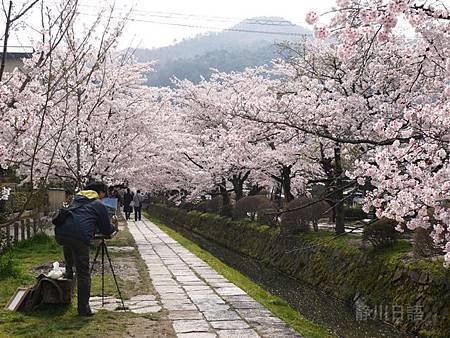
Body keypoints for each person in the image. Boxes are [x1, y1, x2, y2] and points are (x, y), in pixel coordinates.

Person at [54, 181, 117, 316]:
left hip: (61, 234)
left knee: (70, 264)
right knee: (83, 273)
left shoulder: (75, 200)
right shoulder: (98, 204)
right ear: (99, 193)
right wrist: (114, 225)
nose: (103, 197)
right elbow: (106, 229)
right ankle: (83, 309)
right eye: (103, 194)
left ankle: (66, 287)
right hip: (79, 238)